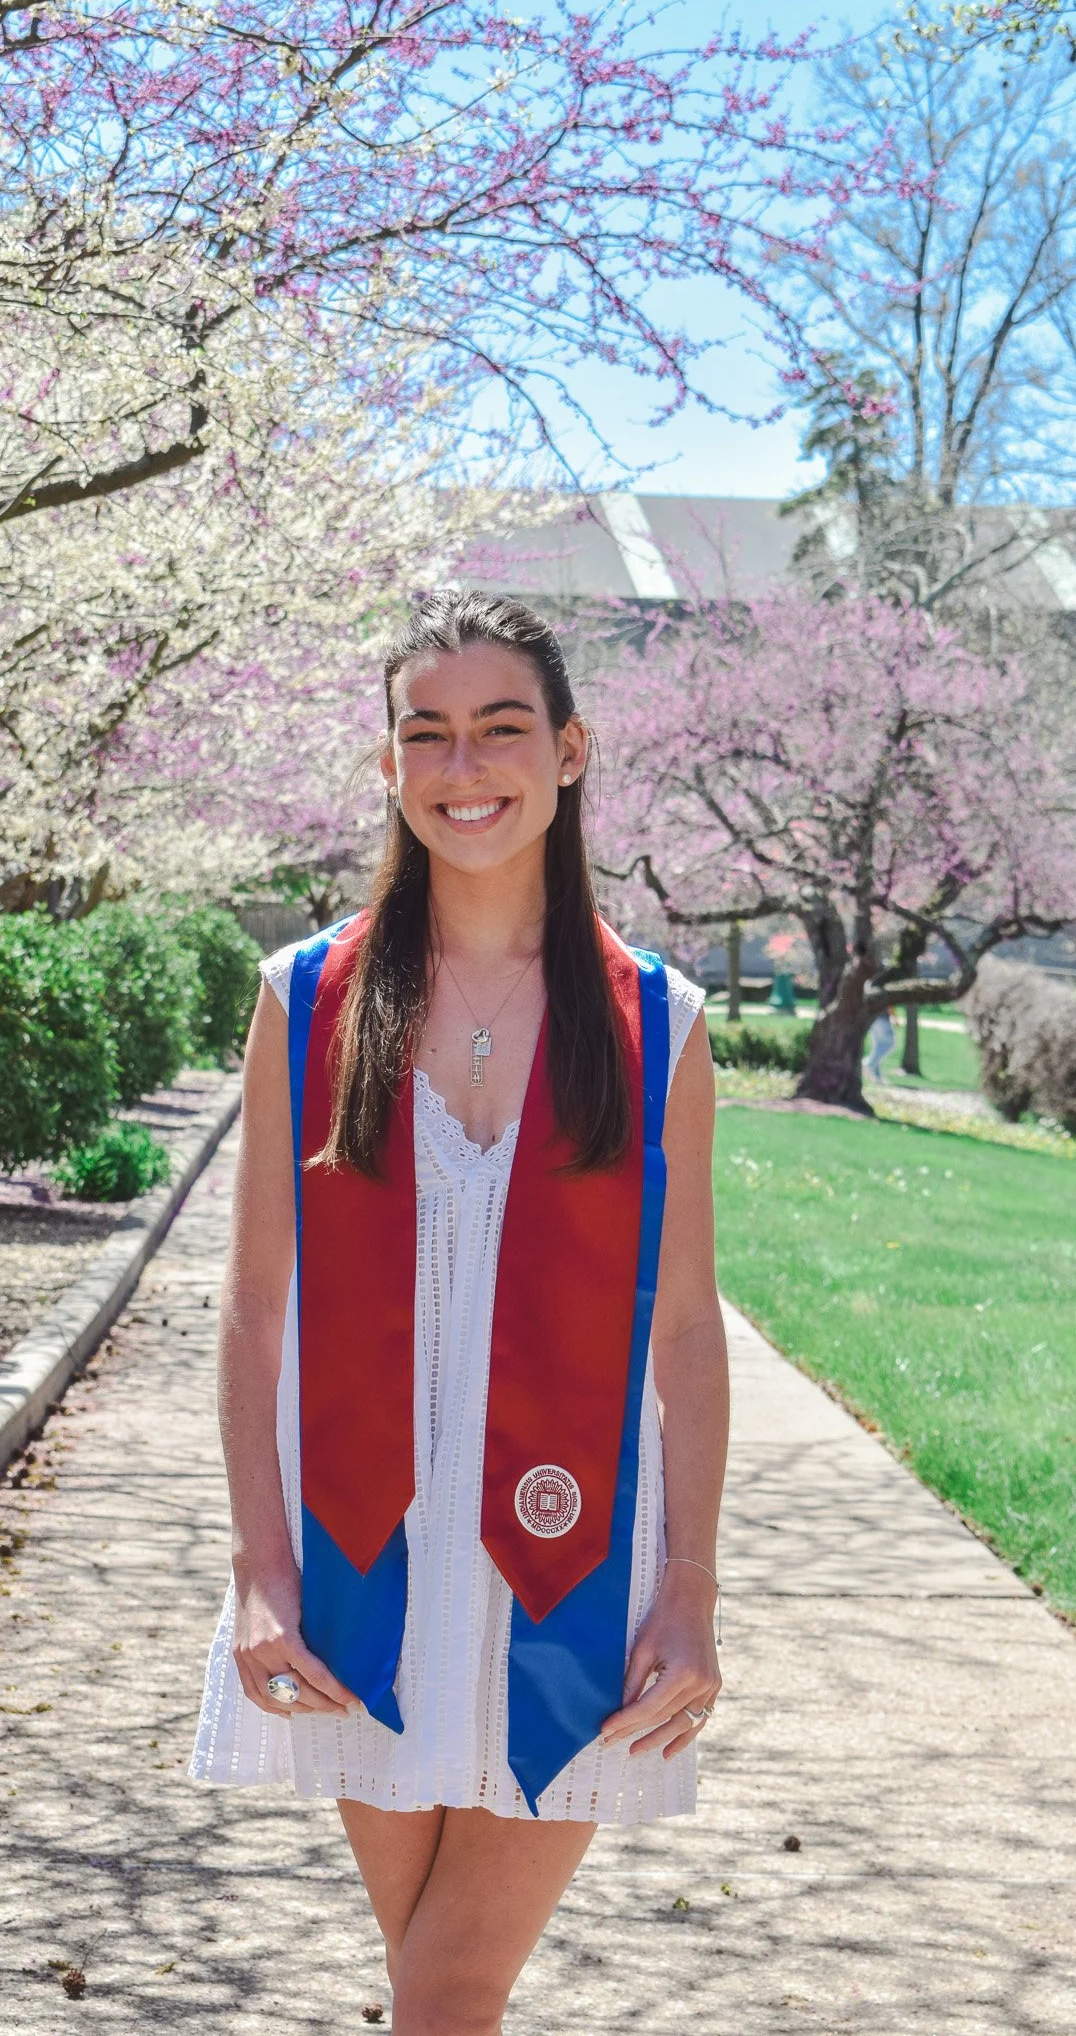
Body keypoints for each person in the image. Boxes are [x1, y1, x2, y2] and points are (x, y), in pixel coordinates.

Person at [190, 592, 729, 2032]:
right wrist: (257, 1565)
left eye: (501, 728)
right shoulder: (308, 1001)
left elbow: (682, 1327)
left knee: (444, 1988)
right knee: (434, 1988)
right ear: (388, 769)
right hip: (362, 1557)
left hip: (572, 1573)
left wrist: (688, 1590)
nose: (462, 764)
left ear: (569, 753)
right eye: (424, 732)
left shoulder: (655, 1021)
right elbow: (254, 1303)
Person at [865, 1008, 896, 1082]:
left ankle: (877, 1077)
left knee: (878, 1046)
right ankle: (869, 1064)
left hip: (872, 1019)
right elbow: (890, 1004)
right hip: (882, 1019)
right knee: (889, 1044)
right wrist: (894, 1017)